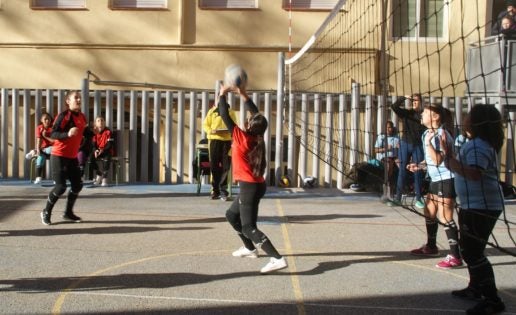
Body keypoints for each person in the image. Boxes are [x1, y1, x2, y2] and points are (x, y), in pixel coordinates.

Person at [218, 82, 288, 274]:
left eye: (249, 120)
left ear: (249, 125)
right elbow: (257, 116)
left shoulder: (241, 137)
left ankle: (277, 258)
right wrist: (243, 95)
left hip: (250, 187)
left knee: (249, 227)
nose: (246, 120)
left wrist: (222, 93)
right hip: (255, 185)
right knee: (231, 215)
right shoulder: (258, 135)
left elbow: (224, 114)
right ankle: (250, 249)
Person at [442, 105, 506, 315]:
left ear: (477, 121)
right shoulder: (475, 143)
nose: (466, 116)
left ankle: (492, 300)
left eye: (469, 114)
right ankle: (475, 288)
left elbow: (474, 174)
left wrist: (451, 160)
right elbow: (460, 168)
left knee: (473, 251)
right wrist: (449, 156)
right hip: (474, 204)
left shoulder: (478, 146)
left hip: (482, 206)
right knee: (469, 249)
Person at [407, 104, 462, 269]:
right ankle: (431, 246)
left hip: (447, 179)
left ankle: (455, 256)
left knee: (445, 216)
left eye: (425, 112)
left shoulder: (441, 134)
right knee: (429, 211)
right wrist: (419, 165)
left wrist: (430, 144)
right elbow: (430, 161)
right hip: (435, 178)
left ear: (435, 117)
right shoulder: (427, 134)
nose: (421, 114)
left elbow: (439, 160)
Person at [40, 90, 87, 225]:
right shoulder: (64, 116)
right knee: (61, 187)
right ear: (68, 101)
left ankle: (68, 213)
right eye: (75, 98)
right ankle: (46, 211)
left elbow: (84, 133)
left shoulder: (82, 117)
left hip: (72, 157)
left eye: (80, 98)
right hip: (59, 155)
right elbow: (53, 133)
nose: (78, 100)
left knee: (77, 185)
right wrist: (67, 134)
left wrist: (89, 136)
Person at [389, 94, 426, 209]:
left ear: (420, 102)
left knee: (418, 171)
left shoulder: (424, 115)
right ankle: (398, 198)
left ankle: (419, 199)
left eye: (416, 100)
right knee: (402, 171)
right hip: (405, 143)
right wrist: (404, 97)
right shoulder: (406, 113)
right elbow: (394, 107)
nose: (414, 102)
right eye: (413, 101)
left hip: (418, 145)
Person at [202, 101, 237, 201]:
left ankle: (223, 190)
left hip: (227, 141)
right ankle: (215, 191)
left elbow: (234, 125)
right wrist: (210, 131)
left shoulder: (231, 112)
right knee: (214, 165)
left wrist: (229, 131)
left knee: (226, 166)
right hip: (214, 140)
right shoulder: (211, 112)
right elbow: (205, 125)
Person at [26, 113, 55, 184]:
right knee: (40, 157)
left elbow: (55, 141)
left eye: (48, 119)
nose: (47, 121)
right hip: (44, 149)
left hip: (53, 148)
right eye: (45, 119)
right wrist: (38, 149)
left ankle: (33, 152)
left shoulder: (53, 128)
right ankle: (38, 177)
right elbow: (38, 139)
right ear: (41, 120)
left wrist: (45, 136)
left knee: (52, 149)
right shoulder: (39, 127)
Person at [91, 116, 115, 187]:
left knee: (106, 158)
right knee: (90, 159)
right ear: (95, 123)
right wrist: (95, 150)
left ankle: (104, 178)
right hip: (98, 151)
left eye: (102, 120)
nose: (100, 122)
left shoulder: (108, 131)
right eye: (98, 120)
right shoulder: (94, 132)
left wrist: (103, 150)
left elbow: (110, 144)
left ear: (104, 122)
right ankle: (99, 174)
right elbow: (93, 144)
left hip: (107, 150)